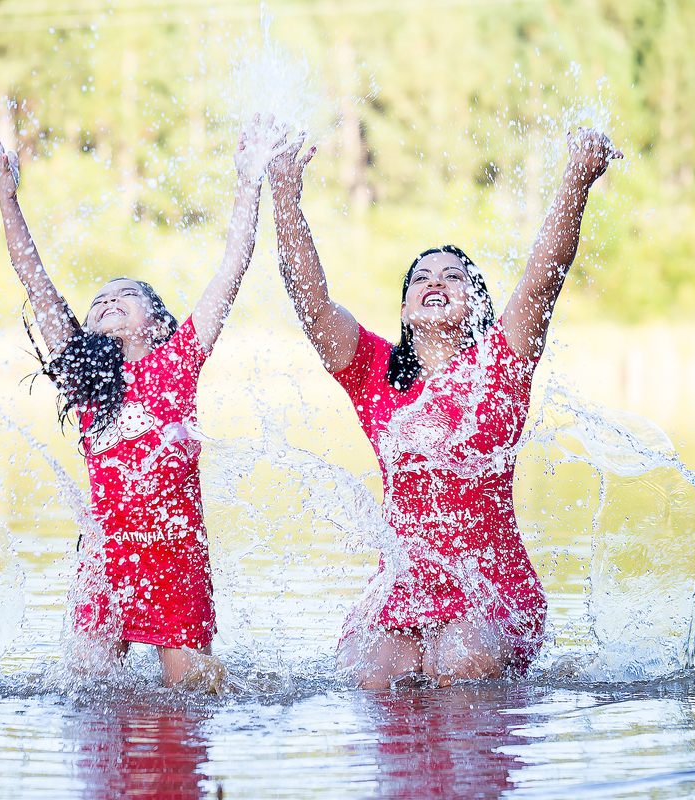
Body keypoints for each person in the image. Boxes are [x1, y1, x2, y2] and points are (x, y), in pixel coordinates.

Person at [266, 128, 623, 689]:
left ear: (477, 303)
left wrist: (576, 178)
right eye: (422, 279)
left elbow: (544, 273)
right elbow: (311, 304)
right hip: (406, 586)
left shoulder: (501, 362)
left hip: (491, 585)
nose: (436, 283)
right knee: (369, 675)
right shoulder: (375, 373)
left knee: (457, 661)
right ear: (405, 309)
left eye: (453, 277)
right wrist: (285, 197)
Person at [0, 115, 292, 688]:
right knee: (86, 695)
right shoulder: (86, 385)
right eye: (100, 299)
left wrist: (249, 180)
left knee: (191, 698)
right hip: (105, 563)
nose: (108, 302)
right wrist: (8, 197)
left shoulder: (176, 362)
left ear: (159, 323)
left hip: (175, 561)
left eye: (126, 296)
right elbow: (35, 279)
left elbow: (233, 263)